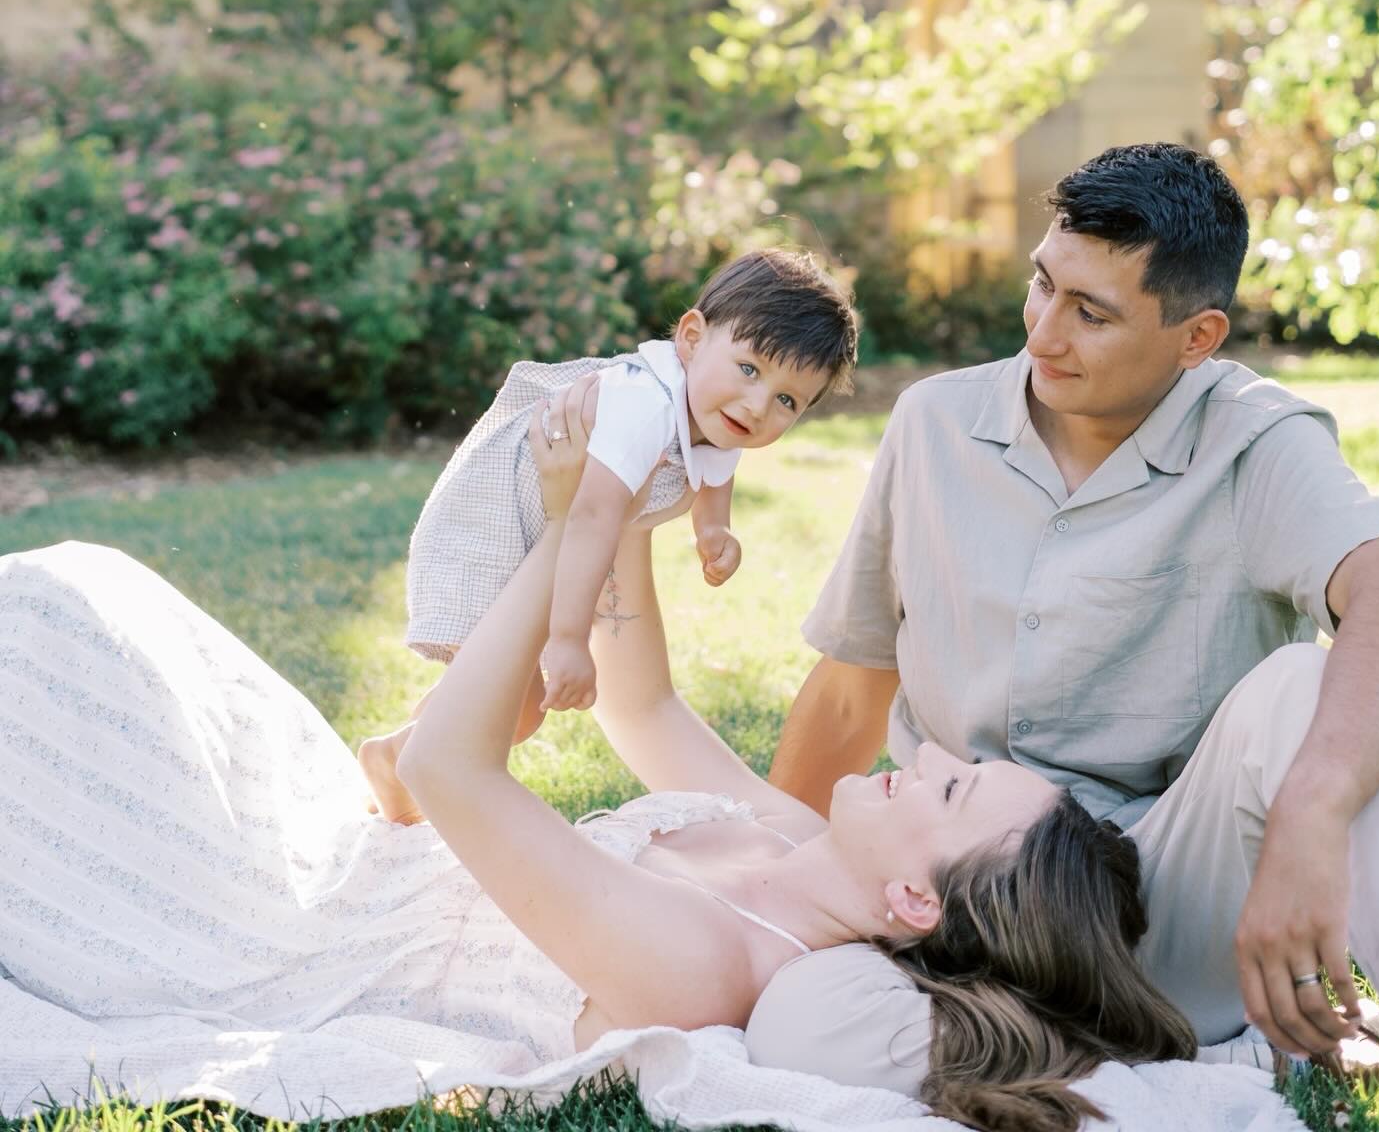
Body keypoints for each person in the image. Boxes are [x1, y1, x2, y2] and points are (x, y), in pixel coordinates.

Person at [0, 393, 1197, 1132]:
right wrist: (627, 496)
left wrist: (569, 527)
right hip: (342, 843)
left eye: (945, 788)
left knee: (47, 624)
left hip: (268, 929)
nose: (925, 751)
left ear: (913, 902)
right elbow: (642, 704)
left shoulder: (706, 965)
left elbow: (458, 771)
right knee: (90, 597)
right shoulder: (787, 837)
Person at [746, 142, 1379, 1095]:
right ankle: (1177, 1053)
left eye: (1092, 315)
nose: (1042, 335)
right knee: (803, 1030)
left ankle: (1136, 1029)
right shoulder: (933, 424)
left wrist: (1312, 814)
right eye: (1043, 286)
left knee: (1306, 688)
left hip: (1157, 906)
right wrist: (769, 890)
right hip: (956, 900)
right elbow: (850, 692)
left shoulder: (1258, 442)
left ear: (1196, 339)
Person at [392, 246, 856, 765]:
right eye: (749, 369)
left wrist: (714, 530)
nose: (757, 406)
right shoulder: (644, 407)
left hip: (539, 548)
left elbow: (717, 469)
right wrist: (568, 641)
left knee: (513, 710)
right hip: (488, 531)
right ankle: (405, 762)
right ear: (692, 338)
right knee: (510, 709)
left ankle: (396, 758)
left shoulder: (719, 417)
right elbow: (589, 519)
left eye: (787, 401)